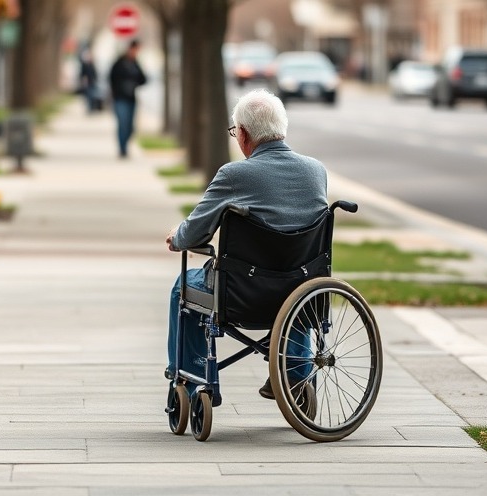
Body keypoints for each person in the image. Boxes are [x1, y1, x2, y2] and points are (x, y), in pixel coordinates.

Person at [164, 89, 328, 398]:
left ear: (243, 134)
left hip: (242, 292)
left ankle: (193, 375)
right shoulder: (316, 171)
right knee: (298, 276)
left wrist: (178, 237)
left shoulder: (234, 175)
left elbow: (195, 233)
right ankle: (296, 372)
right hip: (300, 290)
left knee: (182, 285)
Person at [108, 39, 146, 158]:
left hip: (131, 99)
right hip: (120, 98)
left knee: (130, 126)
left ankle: (125, 145)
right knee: (122, 124)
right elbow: (111, 78)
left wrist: (133, 83)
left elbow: (143, 79)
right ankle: (122, 149)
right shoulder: (119, 63)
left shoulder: (135, 63)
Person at [78, 48, 100, 113]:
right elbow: (82, 74)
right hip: (87, 83)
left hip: (92, 82)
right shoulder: (85, 65)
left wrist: (96, 79)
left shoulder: (92, 65)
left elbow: (95, 73)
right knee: (88, 96)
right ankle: (89, 108)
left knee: (93, 95)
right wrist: (83, 80)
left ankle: (92, 107)